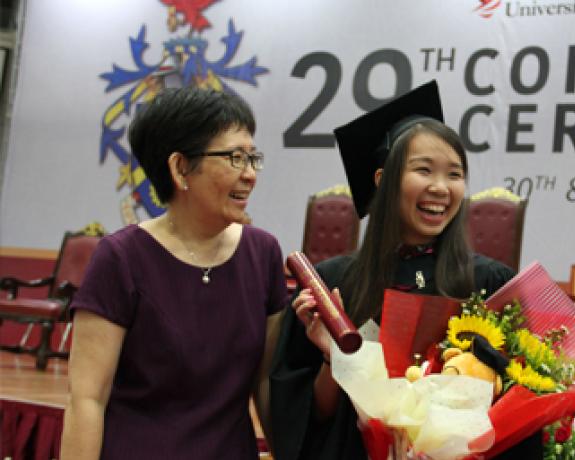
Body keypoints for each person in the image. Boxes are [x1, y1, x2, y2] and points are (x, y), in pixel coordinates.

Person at [269, 80, 543, 459]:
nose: (441, 187)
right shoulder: (335, 285)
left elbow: (516, 412)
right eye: (424, 170)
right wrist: (335, 357)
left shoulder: (488, 283)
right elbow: (310, 421)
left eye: (454, 174)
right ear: (382, 180)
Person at [60, 87, 289, 459]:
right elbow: (87, 400)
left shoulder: (262, 254)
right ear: (180, 167)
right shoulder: (121, 258)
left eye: (253, 158)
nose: (250, 175)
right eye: (235, 158)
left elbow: (265, 385)